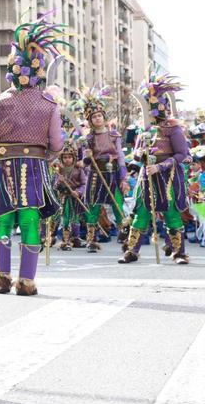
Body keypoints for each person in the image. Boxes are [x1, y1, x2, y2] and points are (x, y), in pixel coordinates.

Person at [0, 14, 68, 295]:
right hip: (34, 167)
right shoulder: (48, 105)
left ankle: (0, 279)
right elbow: (57, 144)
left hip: (1, 168)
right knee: (29, 221)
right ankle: (26, 282)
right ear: (37, 71)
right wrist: (45, 159)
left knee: (1, 221)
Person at [120, 76, 191, 265]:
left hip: (168, 177)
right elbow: (135, 154)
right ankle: (132, 251)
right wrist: (141, 153)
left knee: (172, 214)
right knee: (141, 214)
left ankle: (179, 252)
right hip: (147, 178)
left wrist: (160, 165)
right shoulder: (143, 130)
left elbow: (182, 154)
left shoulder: (173, 129)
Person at [78, 87, 124, 253]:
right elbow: (84, 161)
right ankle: (91, 240)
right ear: (90, 121)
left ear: (104, 117)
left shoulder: (114, 135)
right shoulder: (88, 139)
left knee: (118, 204)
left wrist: (123, 177)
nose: (97, 119)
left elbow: (120, 156)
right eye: (94, 117)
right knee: (93, 206)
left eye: (99, 115)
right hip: (95, 175)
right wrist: (88, 156)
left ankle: (125, 236)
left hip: (112, 173)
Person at [53, 143, 86, 250]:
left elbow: (84, 184)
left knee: (75, 218)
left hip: (75, 198)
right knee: (65, 219)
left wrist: (78, 192)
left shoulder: (79, 170)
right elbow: (54, 186)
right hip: (63, 198)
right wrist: (59, 181)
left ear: (74, 158)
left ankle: (75, 238)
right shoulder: (58, 171)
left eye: (70, 157)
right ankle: (65, 240)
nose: (67, 159)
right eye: (65, 157)